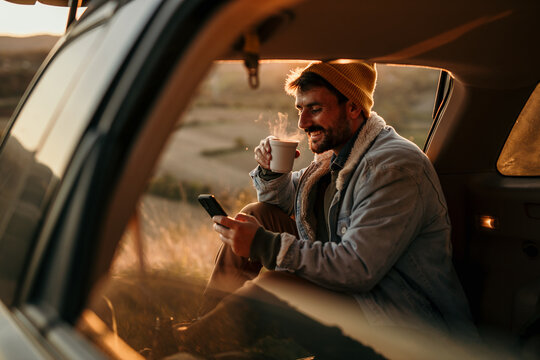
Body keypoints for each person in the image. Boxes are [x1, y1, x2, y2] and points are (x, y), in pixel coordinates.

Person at [179, 61, 476, 356]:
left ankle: (189, 345)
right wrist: (271, 172)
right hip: (355, 298)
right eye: (300, 109)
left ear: (353, 108)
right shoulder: (335, 156)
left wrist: (265, 245)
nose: (303, 123)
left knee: (279, 286)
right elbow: (284, 203)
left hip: (400, 322)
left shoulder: (392, 167)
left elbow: (357, 268)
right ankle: (200, 329)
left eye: (315, 109)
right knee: (255, 215)